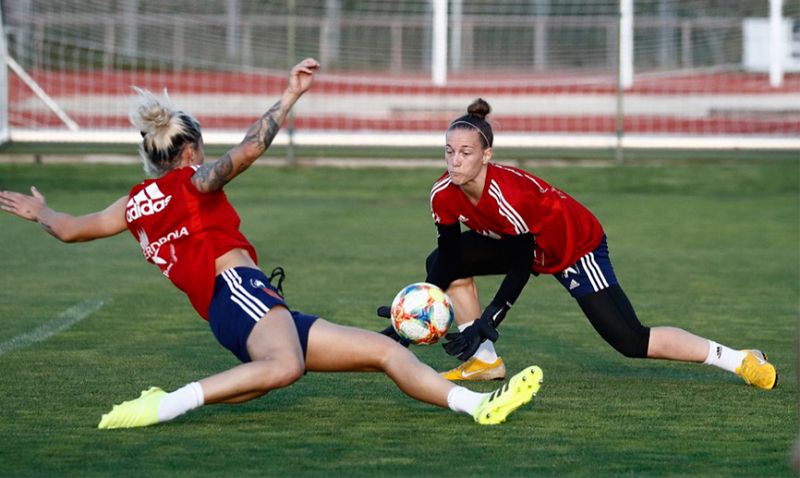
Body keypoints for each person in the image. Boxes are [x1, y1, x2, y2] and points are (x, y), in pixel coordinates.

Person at [0, 61, 544, 429]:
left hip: (232, 307)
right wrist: (290, 95)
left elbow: (72, 228)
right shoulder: (193, 182)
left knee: (382, 350)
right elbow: (249, 149)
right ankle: (165, 404)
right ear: (191, 151)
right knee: (283, 367)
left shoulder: (133, 203)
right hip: (239, 290)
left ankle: (477, 407)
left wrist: (41, 212)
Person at [381, 97, 777, 390]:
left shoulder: (509, 195)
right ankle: (484, 363)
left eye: (465, 153)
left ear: (487, 155)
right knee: (445, 260)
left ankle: (739, 359)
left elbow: (522, 266)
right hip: (525, 245)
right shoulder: (442, 193)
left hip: (574, 247)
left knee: (630, 340)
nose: (455, 161)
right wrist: (407, 322)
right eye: (449, 151)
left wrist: (489, 322)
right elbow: (450, 257)